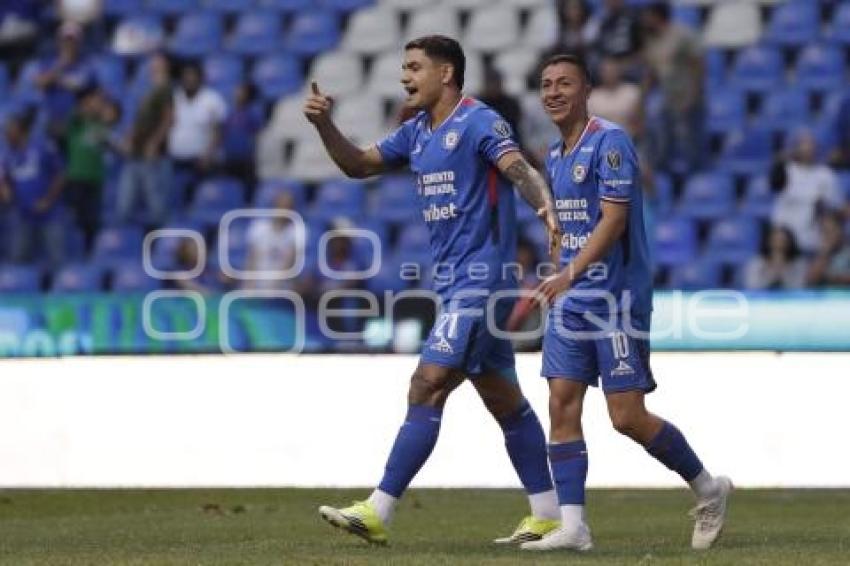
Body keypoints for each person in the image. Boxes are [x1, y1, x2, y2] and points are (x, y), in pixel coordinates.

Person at [304, 35, 563, 546]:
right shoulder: (417, 132)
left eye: (414, 67)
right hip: (453, 284)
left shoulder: (479, 121)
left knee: (426, 385)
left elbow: (518, 169)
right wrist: (323, 125)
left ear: (446, 74)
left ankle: (378, 509)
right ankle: (549, 514)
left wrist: (544, 205)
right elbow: (358, 164)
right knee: (504, 401)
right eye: (403, 67)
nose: (404, 77)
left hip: (482, 281)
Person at [520, 54, 731, 552]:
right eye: (546, 84)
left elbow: (613, 223)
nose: (552, 92)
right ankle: (574, 527)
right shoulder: (555, 153)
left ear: (587, 89)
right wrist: (559, 256)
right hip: (573, 299)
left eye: (564, 83)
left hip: (615, 300)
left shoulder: (610, 142)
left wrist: (568, 272)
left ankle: (709, 488)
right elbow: (573, 224)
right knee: (561, 402)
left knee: (626, 417)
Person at [641, 2, 705, 173]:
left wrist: (694, 94)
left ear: (657, 16)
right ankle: (666, 177)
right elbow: (652, 70)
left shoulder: (681, 35)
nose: (645, 20)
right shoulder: (651, 40)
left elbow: (697, 65)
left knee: (691, 140)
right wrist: (643, 96)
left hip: (688, 95)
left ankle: (696, 176)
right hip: (667, 96)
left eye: (648, 15)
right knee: (664, 138)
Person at [0, 109, 66, 267]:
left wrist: (47, 201)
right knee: (18, 260)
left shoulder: (43, 147)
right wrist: (6, 191)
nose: (5, 135)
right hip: (22, 215)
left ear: (19, 130)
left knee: (56, 260)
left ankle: (60, 290)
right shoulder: (8, 155)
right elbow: (5, 180)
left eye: (9, 130)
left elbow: (60, 175)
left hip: (49, 213)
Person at [771, 130, 845, 255]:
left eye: (811, 144)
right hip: (783, 239)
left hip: (809, 240)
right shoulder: (786, 170)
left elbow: (836, 207)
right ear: (796, 147)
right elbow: (774, 184)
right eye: (804, 143)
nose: (808, 148)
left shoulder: (825, 175)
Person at [168, 61, 227, 198]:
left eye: (192, 76)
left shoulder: (212, 99)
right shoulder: (174, 97)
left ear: (200, 78)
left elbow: (218, 131)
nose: (189, 80)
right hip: (175, 159)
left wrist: (208, 154)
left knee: (201, 197)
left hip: (201, 162)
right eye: (186, 76)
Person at [64, 86, 108, 248]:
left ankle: (89, 252)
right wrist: (88, 105)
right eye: (96, 101)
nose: (100, 104)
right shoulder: (77, 122)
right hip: (77, 176)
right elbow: (75, 115)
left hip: (95, 177)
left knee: (92, 220)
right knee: (75, 218)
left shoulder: (101, 124)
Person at [35, 21, 94, 137]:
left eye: (72, 41)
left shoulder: (86, 64)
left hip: (77, 122)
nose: (68, 44)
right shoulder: (49, 62)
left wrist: (58, 80)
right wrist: (61, 65)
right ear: (59, 42)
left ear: (79, 43)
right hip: (52, 119)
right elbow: (41, 82)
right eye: (65, 40)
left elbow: (81, 84)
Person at [744, 225, 807, 290]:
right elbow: (752, 287)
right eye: (775, 241)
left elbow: (799, 288)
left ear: (790, 243)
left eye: (783, 241)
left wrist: (783, 270)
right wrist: (771, 272)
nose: (779, 245)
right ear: (768, 242)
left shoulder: (799, 264)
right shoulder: (756, 263)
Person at [807, 210, 850, 287]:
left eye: (832, 230)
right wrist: (825, 253)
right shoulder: (819, 252)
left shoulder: (847, 250)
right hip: (824, 296)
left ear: (840, 230)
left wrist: (833, 277)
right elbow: (811, 279)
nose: (828, 235)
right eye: (825, 231)